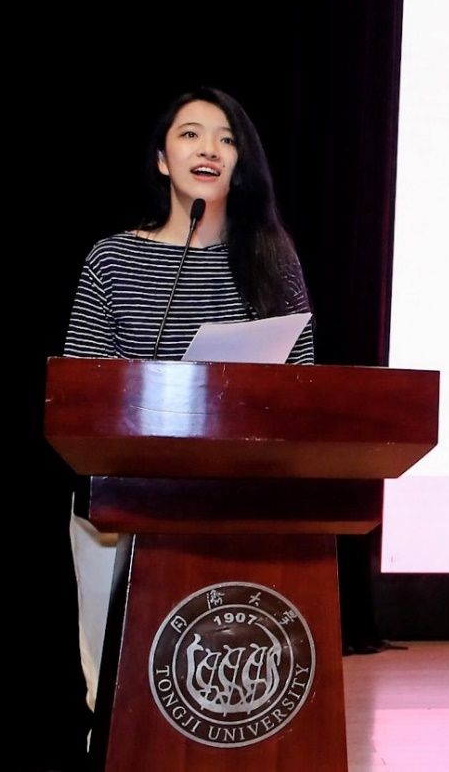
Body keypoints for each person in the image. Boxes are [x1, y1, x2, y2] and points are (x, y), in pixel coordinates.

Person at [63, 87, 313, 711]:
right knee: (125, 692)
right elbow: (79, 393)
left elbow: (303, 388)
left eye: (227, 139)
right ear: (161, 158)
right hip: (123, 502)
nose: (210, 150)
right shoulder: (113, 259)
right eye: (191, 134)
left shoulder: (272, 261)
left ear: (241, 162)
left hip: (240, 501)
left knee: (226, 689)